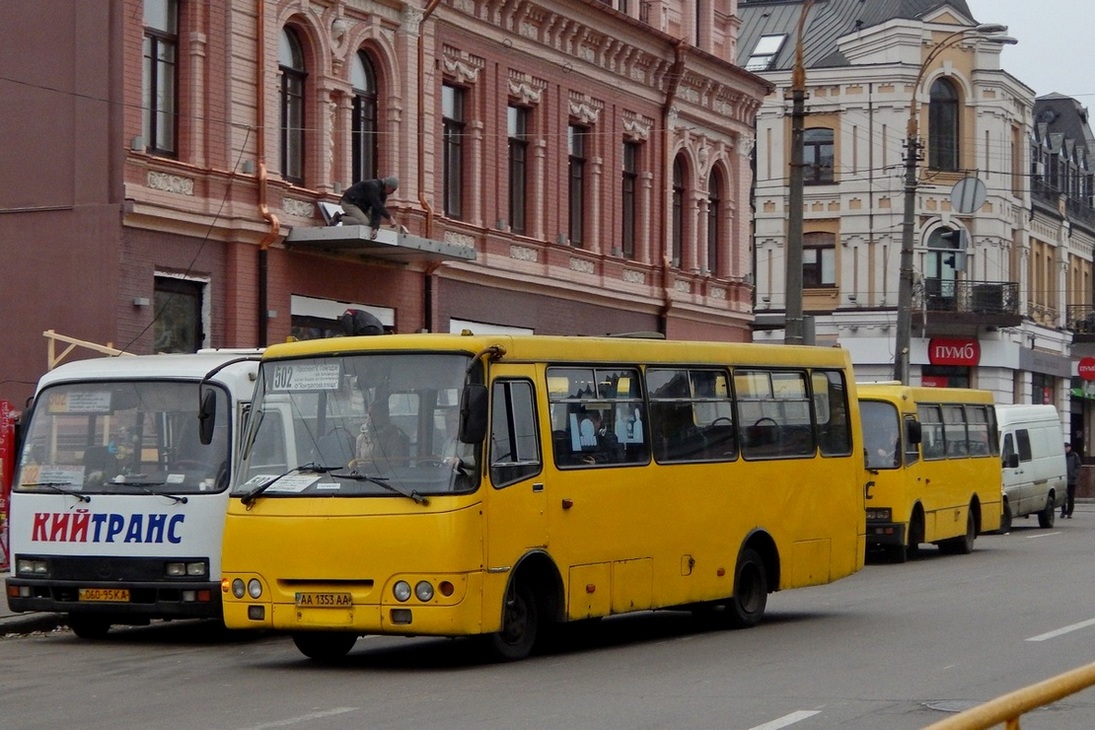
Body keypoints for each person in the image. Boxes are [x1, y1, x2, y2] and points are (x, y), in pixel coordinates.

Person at [353, 400, 409, 469]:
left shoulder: (392, 437)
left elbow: (397, 463)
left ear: (384, 417)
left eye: (376, 415)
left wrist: (377, 467)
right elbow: (357, 461)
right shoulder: (361, 438)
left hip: (386, 477)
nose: (371, 418)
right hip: (363, 477)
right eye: (370, 414)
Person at [437, 408, 474, 473]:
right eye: (448, 422)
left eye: (455, 421)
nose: (451, 425)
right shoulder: (447, 443)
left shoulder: (474, 441)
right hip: (449, 479)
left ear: (463, 423)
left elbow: (480, 461)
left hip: (468, 480)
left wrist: (460, 461)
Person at [1064, 441, 1081, 518]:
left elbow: (1078, 466)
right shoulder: (1062, 456)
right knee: (1063, 497)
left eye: (1067, 447)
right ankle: (1063, 512)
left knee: (1071, 497)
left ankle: (1069, 512)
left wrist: (1074, 474)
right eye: (1064, 447)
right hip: (1064, 479)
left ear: (1070, 447)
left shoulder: (1074, 455)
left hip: (1072, 480)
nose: (1066, 449)